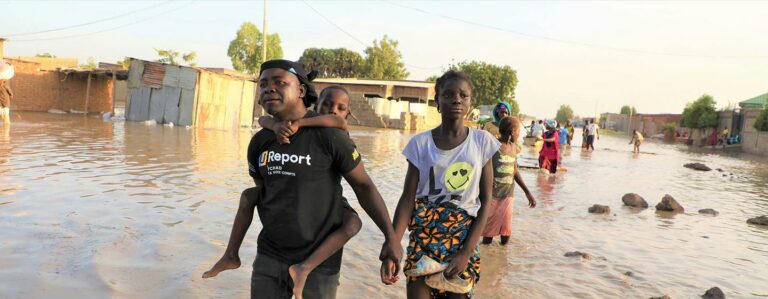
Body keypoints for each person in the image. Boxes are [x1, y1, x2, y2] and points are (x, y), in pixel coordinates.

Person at [203, 60, 402, 299]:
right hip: (269, 256)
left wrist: (391, 238)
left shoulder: (330, 137)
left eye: (279, 82)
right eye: (263, 84)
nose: (269, 88)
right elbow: (265, 190)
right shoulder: (260, 141)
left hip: (318, 262)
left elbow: (364, 186)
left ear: (300, 90)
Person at [383, 70, 498, 298]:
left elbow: (486, 202)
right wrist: (392, 244)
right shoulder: (420, 144)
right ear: (437, 101)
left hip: (462, 236)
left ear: (470, 103)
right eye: (448, 95)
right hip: (424, 238)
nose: (456, 99)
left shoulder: (481, 142)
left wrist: (466, 252)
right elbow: (407, 199)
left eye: (463, 95)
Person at [481, 116, 536, 246]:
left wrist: (527, 192)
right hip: (492, 195)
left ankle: (502, 255)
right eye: (518, 131)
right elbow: (481, 164)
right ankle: (487, 256)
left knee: (506, 230)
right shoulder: (493, 146)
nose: (519, 134)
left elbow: (515, 171)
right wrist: (487, 179)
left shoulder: (513, 147)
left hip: (508, 195)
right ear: (512, 132)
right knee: (489, 232)